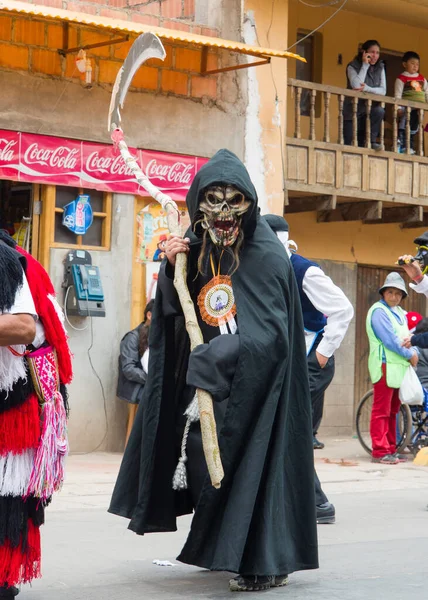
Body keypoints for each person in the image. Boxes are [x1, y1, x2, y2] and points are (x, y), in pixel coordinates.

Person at [109, 149, 318, 593]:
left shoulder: (265, 253)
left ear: (250, 204)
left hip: (260, 388)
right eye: (213, 200)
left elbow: (274, 335)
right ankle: (221, 546)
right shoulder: (199, 244)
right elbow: (174, 312)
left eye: (234, 201)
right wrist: (171, 268)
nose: (223, 213)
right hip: (212, 386)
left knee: (253, 468)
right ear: (197, 203)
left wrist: (226, 353)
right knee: (204, 463)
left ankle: (264, 561)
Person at [265, 214, 353, 525]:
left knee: (291, 429)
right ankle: (305, 501)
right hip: (294, 360)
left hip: (311, 362)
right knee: (289, 430)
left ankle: (316, 503)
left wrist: (321, 354)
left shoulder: (304, 270)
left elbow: (343, 308)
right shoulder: (273, 268)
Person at [0, 230, 72, 597]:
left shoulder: (4, 259)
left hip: (13, 406)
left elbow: (24, 326)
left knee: (6, 492)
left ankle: (3, 577)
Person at [366, 272, 418, 465]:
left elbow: (406, 338)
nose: (394, 296)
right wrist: (411, 354)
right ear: (383, 293)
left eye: (398, 293)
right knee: (382, 409)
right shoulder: (379, 311)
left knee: (393, 410)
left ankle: (390, 448)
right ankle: (379, 451)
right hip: (385, 364)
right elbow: (390, 341)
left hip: (398, 367)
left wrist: (413, 351)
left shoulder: (399, 313)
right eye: (390, 292)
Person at [117, 300, 153, 445]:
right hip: (135, 386)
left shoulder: (157, 336)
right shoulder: (132, 337)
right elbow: (128, 369)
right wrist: (151, 379)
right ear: (149, 315)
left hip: (147, 383)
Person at [343, 40, 386, 150]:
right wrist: (365, 65)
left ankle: (372, 141)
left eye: (377, 53)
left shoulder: (380, 67)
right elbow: (356, 85)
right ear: (364, 52)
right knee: (350, 144)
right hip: (353, 110)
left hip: (369, 110)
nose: (375, 56)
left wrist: (367, 88)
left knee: (379, 111)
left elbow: (383, 90)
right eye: (372, 52)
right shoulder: (352, 66)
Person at [394, 51, 428, 154]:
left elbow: (426, 92)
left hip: (418, 109)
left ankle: (410, 146)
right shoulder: (401, 78)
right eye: (412, 63)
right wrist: (398, 107)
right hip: (406, 107)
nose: (415, 66)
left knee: (414, 127)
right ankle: (402, 145)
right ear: (404, 64)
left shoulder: (422, 79)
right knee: (404, 124)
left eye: (417, 64)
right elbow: (397, 95)